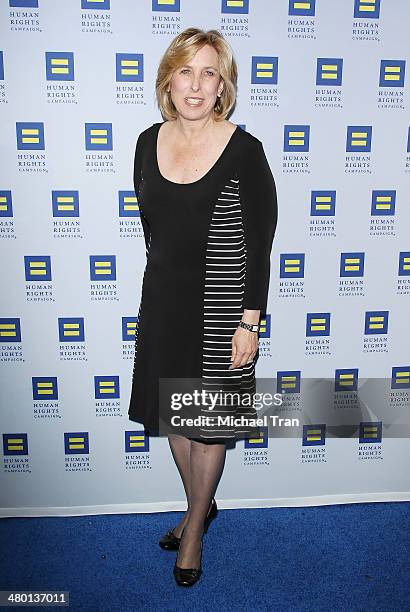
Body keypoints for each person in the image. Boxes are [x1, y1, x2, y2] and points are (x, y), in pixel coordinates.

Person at [128, 27, 278, 587]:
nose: (196, 84)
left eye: (209, 72)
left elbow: (258, 242)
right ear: (169, 78)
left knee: (209, 425)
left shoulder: (245, 150)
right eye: (186, 70)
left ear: (223, 85)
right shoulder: (147, 141)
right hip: (164, 299)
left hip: (222, 306)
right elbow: (154, 230)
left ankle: (192, 531)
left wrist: (250, 322)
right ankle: (201, 507)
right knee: (177, 416)